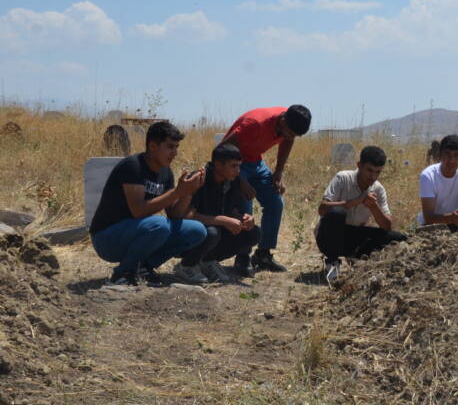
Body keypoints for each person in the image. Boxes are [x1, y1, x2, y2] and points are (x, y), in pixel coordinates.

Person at [90, 121, 207, 286]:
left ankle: (145, 267)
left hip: (135, 233)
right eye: (170, 147)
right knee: (160, 225)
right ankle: (123, 273)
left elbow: (175, 214)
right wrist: (177, 191)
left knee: (196, 230)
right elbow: (138, 211)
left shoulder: (165, 172)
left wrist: (188, 192)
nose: (175, 153)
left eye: (177, 147)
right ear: (153, 145)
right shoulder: (133, 166)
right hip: (107, 239)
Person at [219, 104, 311, 274]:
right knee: (246, 205)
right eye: (290, 132)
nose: (290, 137)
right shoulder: (255, 124)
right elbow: (221, 150)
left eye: (295, 135)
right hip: (236, 164)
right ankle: (242, 257)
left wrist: (278, 171)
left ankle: (263, 255)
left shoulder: (289, 123)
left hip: (256, 163)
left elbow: (288, 141)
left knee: (276, 201)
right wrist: (240, 179)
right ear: (283, 120)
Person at [316, 145, 407, 285]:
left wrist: (374, 207)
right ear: (359, 165)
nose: (373, 177)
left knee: (398, 237)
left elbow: (387, 226)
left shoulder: (378, 189)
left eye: (378, 172)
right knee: (336, 212)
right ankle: (332, 263)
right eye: (369, 170)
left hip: (354, 236)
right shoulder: (342, 178)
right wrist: (356, 201)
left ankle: (358, 259)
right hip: (328, 236)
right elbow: (322, 209)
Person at [175, 143, 262, 284]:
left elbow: (231, 209)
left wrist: (243, 219)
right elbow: (187, 216)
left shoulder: (231, 180)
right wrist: (222, 220)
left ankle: (207, 261)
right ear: (218, 164)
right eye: (233, 166)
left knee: (254, 233)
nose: (238, 171)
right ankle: (187, 265)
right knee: (212, 232)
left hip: (215, 234)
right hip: (191, 236)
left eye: (239, 166)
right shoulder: (199, 178)